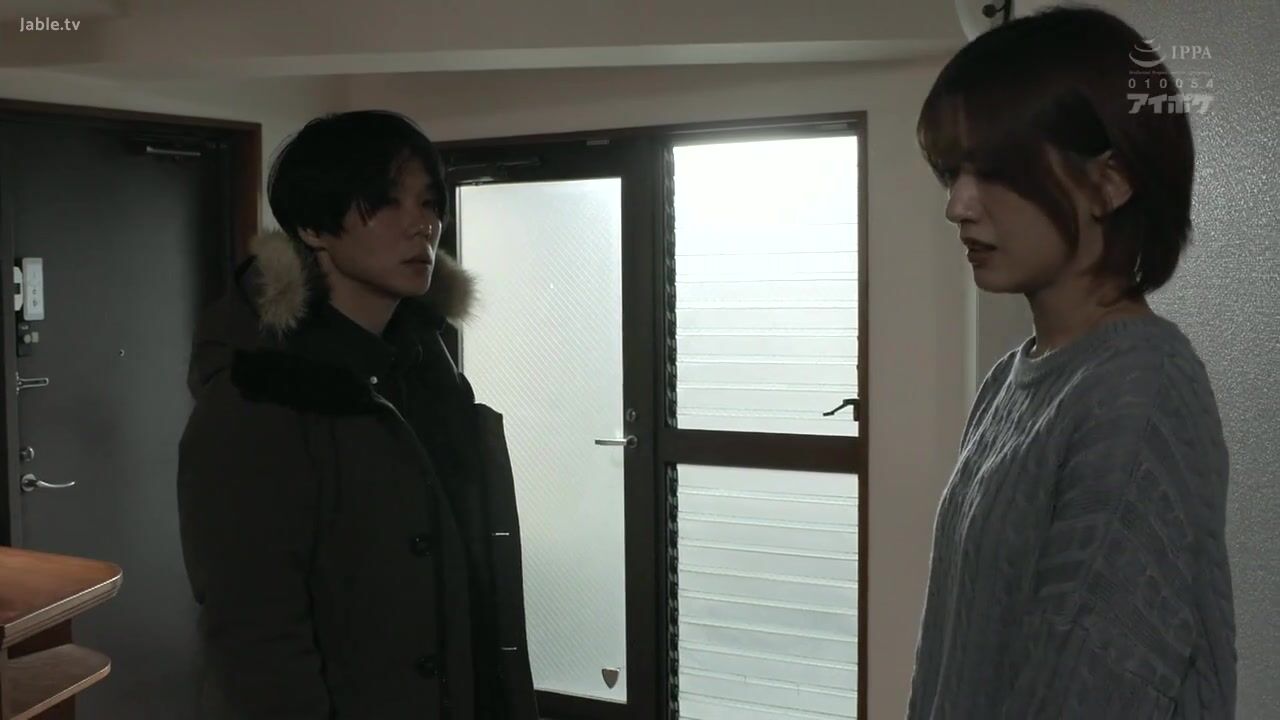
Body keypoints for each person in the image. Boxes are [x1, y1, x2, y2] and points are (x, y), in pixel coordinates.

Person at [908, 7, 1236, 719]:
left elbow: (1098, 686)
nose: (958, 205)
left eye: (994, 171)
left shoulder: (1140, 392)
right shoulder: (1012, 381)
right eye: (952, 173)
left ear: (1109, 182)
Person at [177, 110, 538, 719]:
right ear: (314, 227)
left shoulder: (427, 368)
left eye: (429, 202)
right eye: (385, 202)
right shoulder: (258, 397)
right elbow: (255, 643)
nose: (422, 224)